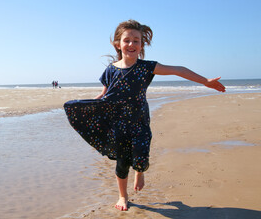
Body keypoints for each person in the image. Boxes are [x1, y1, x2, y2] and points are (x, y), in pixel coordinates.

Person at [63, 19, 225, 212]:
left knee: (141, 157)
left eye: (136, 41)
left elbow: (178, 69)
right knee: (122, 163)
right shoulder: (110, 69)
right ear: (118, 43)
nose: (131, 44)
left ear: (142, 44)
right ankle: (123, 196)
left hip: (140, 122)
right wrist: (88, 108)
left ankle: (140, 171)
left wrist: (205, 81)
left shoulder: (147, 67)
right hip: (118, 123)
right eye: (127, 40)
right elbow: (104, 95)